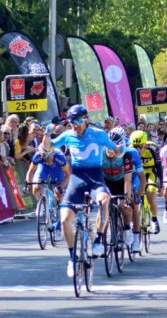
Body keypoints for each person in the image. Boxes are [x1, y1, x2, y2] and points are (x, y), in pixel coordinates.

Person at [42, 104, 116, 278]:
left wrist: (119, 152)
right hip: (77, 180)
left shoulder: (99, 134)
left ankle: (98, 239)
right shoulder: (67, 135)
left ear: (86, 119)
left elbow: (113, 148)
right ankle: (72, 258)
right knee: (65, 219)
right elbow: (48, 148)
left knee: (104, 201)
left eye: (78, 120)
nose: (75, 124)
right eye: (71, 121)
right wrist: (47, 134)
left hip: (96, 178)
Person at [100, 127, 144, 252]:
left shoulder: (128, 154)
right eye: (108, 147)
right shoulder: (100, 153)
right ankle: (103, 238)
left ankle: (131, 233)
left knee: (128, 205)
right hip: (107, 181)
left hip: (123, 181)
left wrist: (130, 196)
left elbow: (128, 181)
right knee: (104, 205)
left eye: (114, 148)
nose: (110, 151)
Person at [129, 130, 161, 235]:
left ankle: (154, 220)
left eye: (140, 147)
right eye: (135, 146)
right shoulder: (129, 151)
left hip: (150, 172)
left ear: (145, 144)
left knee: (150, 196)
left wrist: (161, 183)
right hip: (137, 174)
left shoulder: (152, 149)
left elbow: (159, 167)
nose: (138, 150)